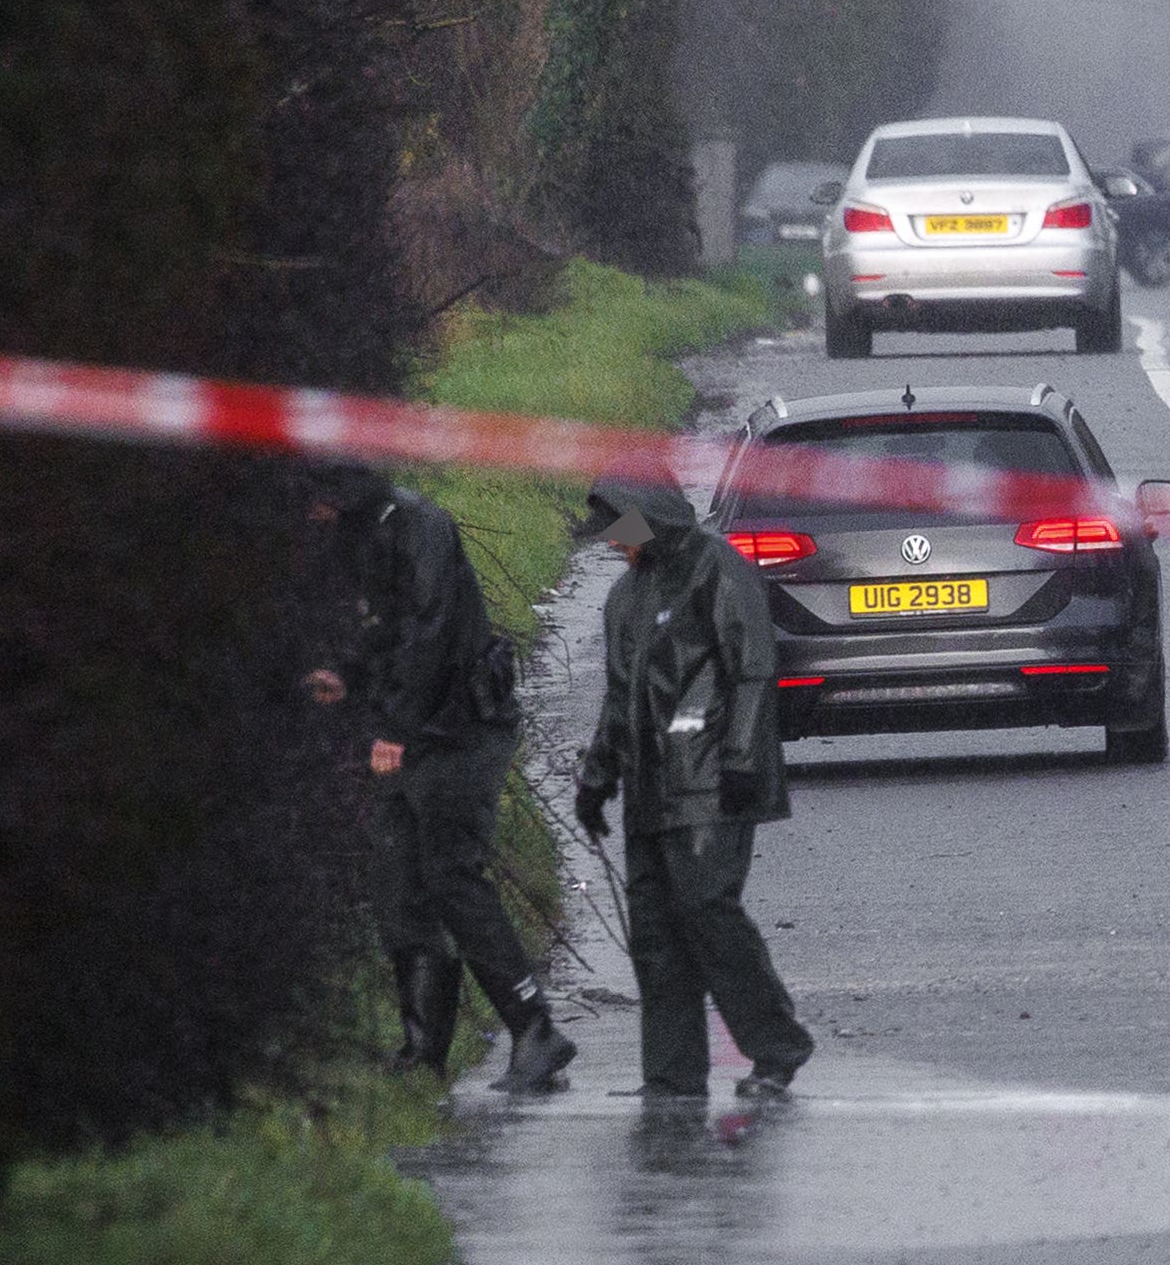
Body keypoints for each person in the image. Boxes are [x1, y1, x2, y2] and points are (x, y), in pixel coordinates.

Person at [306, 463, 571, 1092]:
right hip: (409, 733)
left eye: (313, 505)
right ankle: (423, 1051)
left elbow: (430, 633)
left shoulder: (419, 526)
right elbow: (383, 634)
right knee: (399, 884)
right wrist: (346, 673)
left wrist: (394, 729)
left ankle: (534, 1026)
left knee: (453, 875)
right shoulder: (355, 540)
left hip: (461, 730)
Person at [568, 476, 812, 1099]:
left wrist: (740, 758)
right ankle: (672, 1074)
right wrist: (596, 780)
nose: (615, 548)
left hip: (710, 780)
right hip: (650, 787)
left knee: (707, 910)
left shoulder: (718, 568)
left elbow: (752, 665)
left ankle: (776, 1047)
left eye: (621, 533)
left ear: (648, 519)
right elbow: (619, 700)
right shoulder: (625, 598)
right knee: (654, 931)